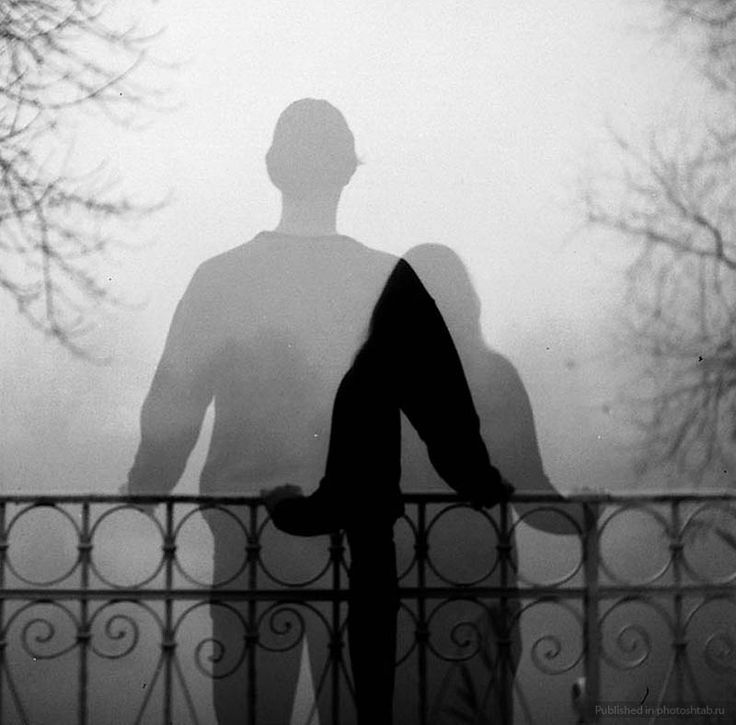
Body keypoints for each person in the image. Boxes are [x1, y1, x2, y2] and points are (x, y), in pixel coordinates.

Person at [124, 99, 509, 724]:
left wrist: (147, 486)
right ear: (347, 173)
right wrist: (479, 481)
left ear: (273, 170)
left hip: (250, 536)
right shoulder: (387, 279)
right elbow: (443, 407)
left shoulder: (220, 279)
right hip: (359, 547)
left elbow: (175, 402)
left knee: (250, 714)